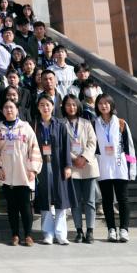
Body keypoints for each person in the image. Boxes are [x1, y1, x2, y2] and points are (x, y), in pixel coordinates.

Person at [0, 100, 42, 246]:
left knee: (26, 206)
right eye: (6, 107)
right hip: (7, 173)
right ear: (2, 110)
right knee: (12, 207)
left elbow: (34, 147)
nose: (9, 110)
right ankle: (15, 234)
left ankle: (28, 235)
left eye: (11, 107)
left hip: (23, 172)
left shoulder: (25, 127)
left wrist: (33, 169)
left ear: (17, 110)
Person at [95, 94, 136, 243]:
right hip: (103, 166)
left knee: (123, 199)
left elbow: (129, 147)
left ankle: (124, 229)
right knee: (107, 200)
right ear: (97, 106)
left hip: (120, 166)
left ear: (111, 105)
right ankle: (111, 229)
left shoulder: (121, 123)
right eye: (100, 103)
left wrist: (131, 168)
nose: (103, 106)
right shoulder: (94, 124)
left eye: (106, 103)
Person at [33, 95, 72, 245]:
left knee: (60, 200)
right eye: (42, 105)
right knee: (45, 199)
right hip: (42, 166)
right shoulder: (35, 125)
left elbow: (66, 146)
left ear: (53, 106)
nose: (45, 107)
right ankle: (48, 233)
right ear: (38, 108)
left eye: (48, 104)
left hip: (57, 165)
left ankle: (61, 234)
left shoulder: (60, 125)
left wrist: (67, 165)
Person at [62, 94, 99, 243]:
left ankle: (90, 231)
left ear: (78, 106)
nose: (71, 107)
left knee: (90, 201)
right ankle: (78, 231)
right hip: (73, 167)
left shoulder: (87, 123)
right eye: (68, 105)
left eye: (74, 104)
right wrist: (74, 158)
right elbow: (62, 145)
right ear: (64, 107)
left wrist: (84, 157)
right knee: (75, 201)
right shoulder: (61, 124)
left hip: (88, 165)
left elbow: (92, 142)